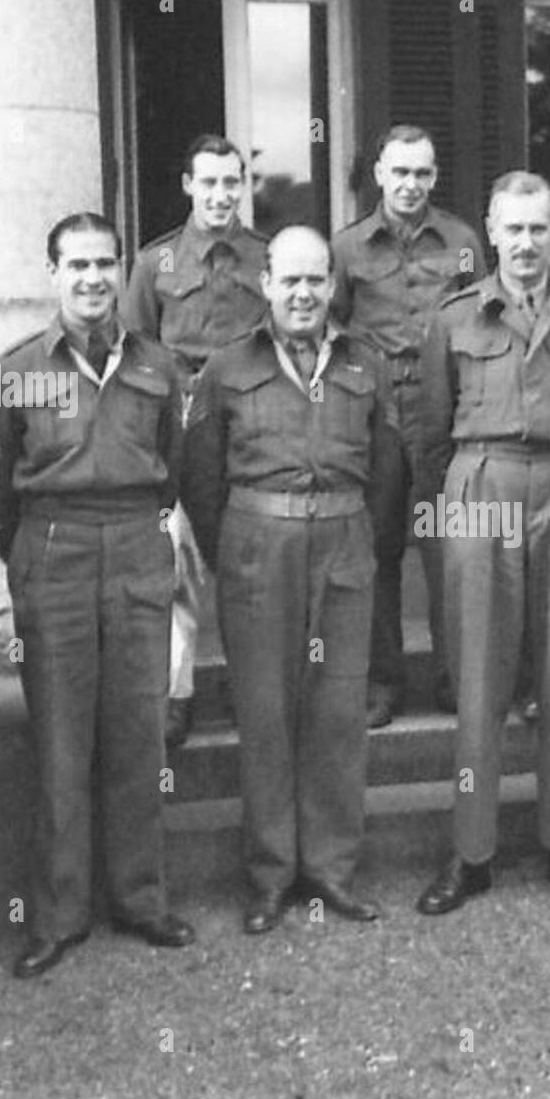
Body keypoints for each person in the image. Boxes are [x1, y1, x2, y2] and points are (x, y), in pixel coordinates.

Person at [0, 212, 195, 978]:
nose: (94, 279)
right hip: (54, 549)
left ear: (121, 271)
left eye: (105, 264)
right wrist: (33, 551)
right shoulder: (20, 367)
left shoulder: (159, 366)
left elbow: (174, 462)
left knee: (139, 730)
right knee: (61, 739)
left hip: (136, 542)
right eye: (77, 265)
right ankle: (58, 916)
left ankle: (140, 898)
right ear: (53, 274)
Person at [415, 171, 550, 915]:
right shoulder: (454, 319)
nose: (527, 243)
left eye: (540, 229)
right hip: (482, 483)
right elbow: (430, 433)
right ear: (491, 231)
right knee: (479, 678)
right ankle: (470, 854)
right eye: (514, 229)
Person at [181, 226, 399, 935]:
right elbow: (200, 476)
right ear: (266, 284)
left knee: (337, 713)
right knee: (266, 713)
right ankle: (271, 875)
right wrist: (235, 549)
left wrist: (367, 542)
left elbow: (392, 471)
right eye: (290, 281)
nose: (303, 294)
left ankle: (332, 869)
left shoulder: (367, 364)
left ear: (333, 287)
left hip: (344, 542)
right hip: (257, 546)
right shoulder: (224, 368)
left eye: (316, 281)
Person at [332, 125, 485, 729]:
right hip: (376, 413)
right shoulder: (346, 249)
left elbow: (483, 317)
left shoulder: (464, 240)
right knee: (377, 547)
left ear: (435, 175)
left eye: (422, 173)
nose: (411, 185)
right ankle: (380, 680)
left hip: (447, 408)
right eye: (400, 172)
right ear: (378, 174)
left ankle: (457, 675)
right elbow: (333, 331)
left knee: (453, 546)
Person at [121, 134, 269, 747]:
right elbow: (135, 353)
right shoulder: (155, 264)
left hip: (250, 427)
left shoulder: (266, 258)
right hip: (180, 429)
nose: (219, 195)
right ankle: (176, 694)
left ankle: (252, 685)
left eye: (231, 183)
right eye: (207, 183)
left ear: (244, 186)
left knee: (247, 563)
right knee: (176, 565)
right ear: (188, 185)